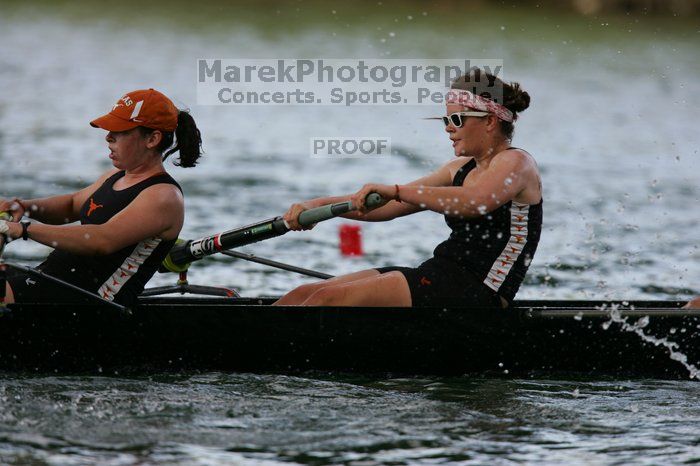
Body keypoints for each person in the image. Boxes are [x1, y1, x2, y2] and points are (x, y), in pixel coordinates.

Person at [274, 71, 542, 308]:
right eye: (445, 120)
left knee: (325, 301)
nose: (448, 128)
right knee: (306, 293)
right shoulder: (458, 168)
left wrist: (396, 190)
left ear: (490, 121)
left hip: (480, 293)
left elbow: (476, 201)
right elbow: (387, 207)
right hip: (441, 275)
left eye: (457, 119)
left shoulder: (516, 163)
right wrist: (316, 206)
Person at [0, 88, 202, 306]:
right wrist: (24, 207)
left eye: (121, 131)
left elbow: (102, 240)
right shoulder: (115, 176)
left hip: (93, 305)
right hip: (53, 285)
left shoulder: (164, 196)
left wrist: (24, 230)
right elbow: (71, 204)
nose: (108, 137)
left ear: (152, 139)